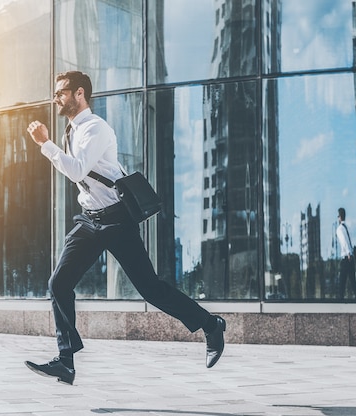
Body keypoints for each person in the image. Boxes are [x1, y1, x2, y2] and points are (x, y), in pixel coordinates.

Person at [25, 71, 226, 385]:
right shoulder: (72, 129)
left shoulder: (96, 127)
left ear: (79, 94)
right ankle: (66, 360)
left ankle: (211, 325)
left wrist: (46, 145)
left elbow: (77, 170)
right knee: (58, 283)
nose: (56, 98)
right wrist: (53, 144)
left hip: (117, 219)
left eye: (61, 92)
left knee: (150, 289)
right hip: (90, 219)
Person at [335, 207, 356, 300]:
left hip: (346, 257)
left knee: (342, 281)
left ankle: (340, 300)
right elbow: (349, 241)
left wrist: (348, 253)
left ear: (340, 217)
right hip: (350, 257)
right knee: (352, 281)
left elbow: (343, 241)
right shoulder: (347, 228)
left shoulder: (340, 229)